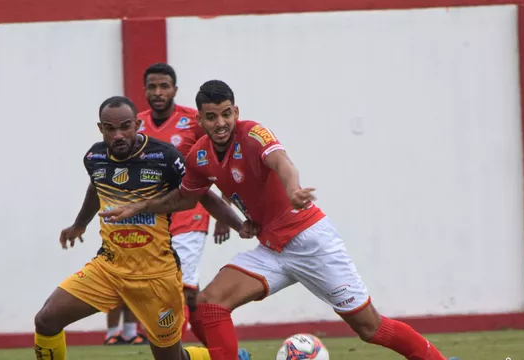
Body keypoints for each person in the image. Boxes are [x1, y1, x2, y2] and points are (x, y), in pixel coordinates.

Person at [99, 81, 450, 360]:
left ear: (235, 111)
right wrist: (139, 206)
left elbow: (282, 162)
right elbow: (186, 197)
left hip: (311, 241)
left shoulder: (253, 134)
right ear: (200, 120)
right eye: (211, 116)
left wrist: (293, 189)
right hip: (271, 249)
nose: (220, 123)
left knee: (369, 327)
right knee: (210, 303)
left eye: (225, 114)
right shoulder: (200, 155)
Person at [33, 95, 253, 360]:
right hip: (108, 268)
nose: (118, 135)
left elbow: (204, 196)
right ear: (100, 128)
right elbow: (96, 187)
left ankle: (212, 357)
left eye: (125, 126)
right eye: (110, 128)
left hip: (156, 277)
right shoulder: (95, 157)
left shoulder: (164, 157)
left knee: (172, 358)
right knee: (46, 320)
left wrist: (239, 225)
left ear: (137, 124)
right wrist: (80, 224)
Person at [104, 63, 232, 346]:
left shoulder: (194, 121)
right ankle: (218, 350)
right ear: (145, 90)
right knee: (189, 293)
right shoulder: (133, 124)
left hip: (191, 213)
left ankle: (167, 348)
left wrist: (225, 213)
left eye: (164, 86)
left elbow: (217, 161)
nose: (158, 92)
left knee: (180, 290)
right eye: (152, 86)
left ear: (175, 89)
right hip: (154, 218)